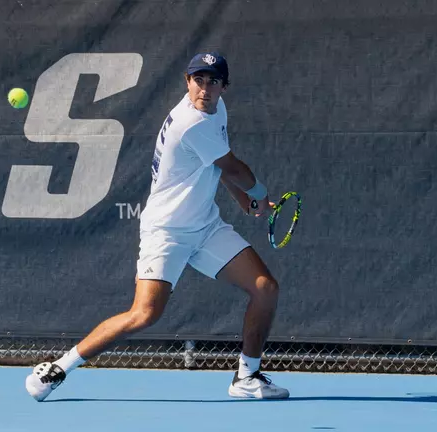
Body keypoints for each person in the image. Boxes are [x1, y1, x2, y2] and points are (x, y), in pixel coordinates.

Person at [25, 52, 289, 401]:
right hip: (166, 232)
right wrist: (259, 194)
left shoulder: (216, 110)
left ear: (224, 87)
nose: (205, 88)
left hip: (206, 227)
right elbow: (235, 168)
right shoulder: (190, 122)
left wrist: (241, 200)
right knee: (144, 314)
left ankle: (247, 376)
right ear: (187, 81)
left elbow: (216, 162)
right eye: (198, 80)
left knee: (265, 288)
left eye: (212, 81)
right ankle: (58, 367)